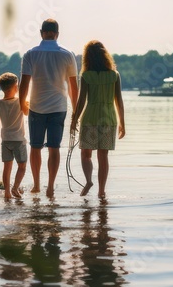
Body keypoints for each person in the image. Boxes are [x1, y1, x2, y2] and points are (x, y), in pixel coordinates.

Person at [19, 18, 78, 198]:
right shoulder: (67, 54)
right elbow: (73, 86)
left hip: (36, 106)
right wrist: (76, 111)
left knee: (35, 147)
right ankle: (50, 187)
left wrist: (22, 104)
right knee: (54, 148)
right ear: (57, 34)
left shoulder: (31, 54)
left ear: (41, 33)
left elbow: (24, 83)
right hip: (59, 107)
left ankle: (36, 184)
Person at [70, 40, 125, 198]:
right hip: (108, 119)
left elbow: (81, 101)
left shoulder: (86, 76)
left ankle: (88, 181)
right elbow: (119, 101)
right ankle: (102, 191)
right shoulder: (114, 75)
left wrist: (74, 120)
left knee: (86, 154)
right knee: (103, 156)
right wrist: (123, 123)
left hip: (90, 118)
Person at [0, 72, 28, 200]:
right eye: (17, 86)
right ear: (15, 88)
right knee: (22, 166)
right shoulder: (20, 102)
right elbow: (28, 113)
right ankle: (15, 187)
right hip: (18, 140)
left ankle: (7, 192)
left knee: (7, 167)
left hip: (5, 140)